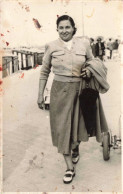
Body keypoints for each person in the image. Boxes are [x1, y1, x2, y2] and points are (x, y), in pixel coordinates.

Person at [37, 15, 110, 184]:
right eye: (61, 28)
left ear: (73, 28)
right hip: (59, 92)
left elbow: (93, 62)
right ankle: (69, 167)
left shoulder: (84, 44)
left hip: (81, 90)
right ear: (57, 29)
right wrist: (40, 94)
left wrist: (90, 71)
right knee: (62, 129)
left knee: (79, 127)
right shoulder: (51, 46)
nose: (64, 31)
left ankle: (75, 148)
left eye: (67, 27)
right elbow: (44, 72)